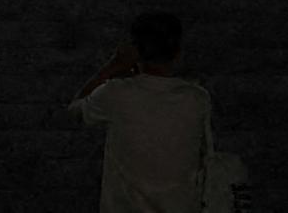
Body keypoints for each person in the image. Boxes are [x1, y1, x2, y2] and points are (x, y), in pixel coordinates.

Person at [70, 11, 214, 213]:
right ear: (178, 52)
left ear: (136, 50)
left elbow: (75, 110)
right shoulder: (197, 99)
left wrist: (113, 66)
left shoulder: (116, 93)